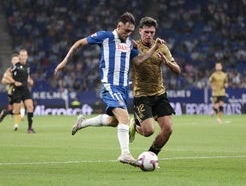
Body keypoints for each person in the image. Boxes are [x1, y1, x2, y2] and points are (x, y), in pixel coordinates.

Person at [54, 12, 164, 167]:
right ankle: (125, 154)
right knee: (125, 118)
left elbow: (139, 61)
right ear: (118, 26)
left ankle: (82, 123)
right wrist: (64, 61)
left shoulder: (130, 43)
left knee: (114, 121)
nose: (127, 34)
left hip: (124, 87)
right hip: (109, 85)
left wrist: (154, 48)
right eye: (125, 30)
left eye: (130, 31)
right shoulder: (105, 36)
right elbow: (79, 43)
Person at [129, 17, 181, 156]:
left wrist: (167, 63)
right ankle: (134, 125)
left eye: (152, 32)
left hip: (159, 93)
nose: (149, 35)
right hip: (141, 94)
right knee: (148, 131)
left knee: (168, 129)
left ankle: (151, 156)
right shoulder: (134, 46)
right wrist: (154, 47)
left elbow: (177, 70)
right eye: (146, 32)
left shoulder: (162, 47)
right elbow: (138, 62)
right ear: (140, 31)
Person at [1, 49, 36, 133]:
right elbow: (6, 76)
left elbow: (26, 76)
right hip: (17, 91)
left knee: (30, 107)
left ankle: (30, 128)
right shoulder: (16, 66)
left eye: (25, 55)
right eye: (22, 56)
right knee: (16, 111)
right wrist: (14, 82)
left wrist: (30, 80)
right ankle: (5, 112)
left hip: (25, 89)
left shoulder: (27, 66)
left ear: (27, 56)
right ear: (19, 57)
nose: (23, 57)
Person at [0, 53, 22, 130]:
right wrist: (13, 81)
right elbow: (3, 81)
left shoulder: (22, 69)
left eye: (17, 59)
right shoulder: (9, 70)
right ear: (11, 61)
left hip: (21, 90)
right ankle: (16, 122)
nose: (15, 61)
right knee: (18, 107)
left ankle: (14, 122)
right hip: (12, 91)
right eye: (14, 60)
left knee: (17, 109)